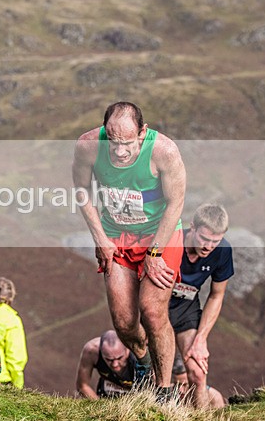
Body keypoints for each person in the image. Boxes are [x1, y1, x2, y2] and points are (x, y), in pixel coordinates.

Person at [72, 102, 186, 400]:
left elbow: (176, 203)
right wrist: (100, 239)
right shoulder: (87, 146)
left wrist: (155, 253)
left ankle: (164, 390)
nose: (119, 151)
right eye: (112, 142)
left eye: (127, 143)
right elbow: (81, 190)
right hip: (116, 235)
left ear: (142, 132)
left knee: (152, 310)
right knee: (123, 322)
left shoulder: (164, 151)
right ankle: (146, 364)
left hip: (159, 234)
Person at [170, 203, 233, 408]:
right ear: (192, 228)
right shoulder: (172, 240)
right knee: (152, 374)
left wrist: (201, 339)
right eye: (204, 239)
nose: (208, 246)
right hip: (157, 303)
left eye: (215, 241)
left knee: (198, 374)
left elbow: (216, 295)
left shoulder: (222, 251)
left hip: (186, 307)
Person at [76, 330, 136, 399]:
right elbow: (83, 386)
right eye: (109, 359)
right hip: (108, 391)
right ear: (101, 351)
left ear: (127, 350)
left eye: (119, 358)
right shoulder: (92, 351)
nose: (115, 365)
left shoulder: (139, 352)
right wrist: (101, 406)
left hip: (138, 392)